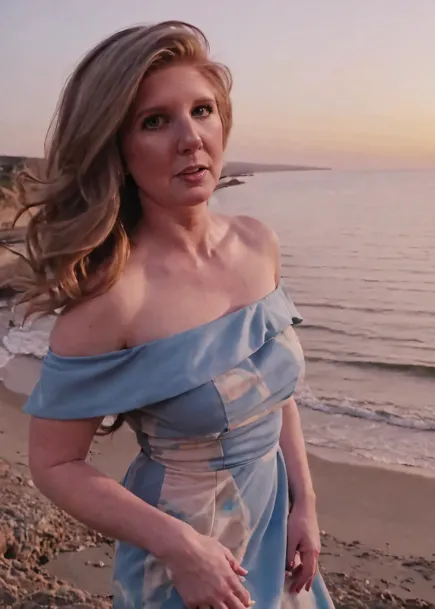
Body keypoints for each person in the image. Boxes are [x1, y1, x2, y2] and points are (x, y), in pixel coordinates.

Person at [13, 21, 335, 609]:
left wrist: (305, 504)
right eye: (155, 121)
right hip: (189, 552)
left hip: (276, 524)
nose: (190, 138)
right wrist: (180, 547)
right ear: (117, 146)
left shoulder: (258, 243)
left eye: (203, 110)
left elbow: (274, 390)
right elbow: (54, 463)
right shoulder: (114, 300)